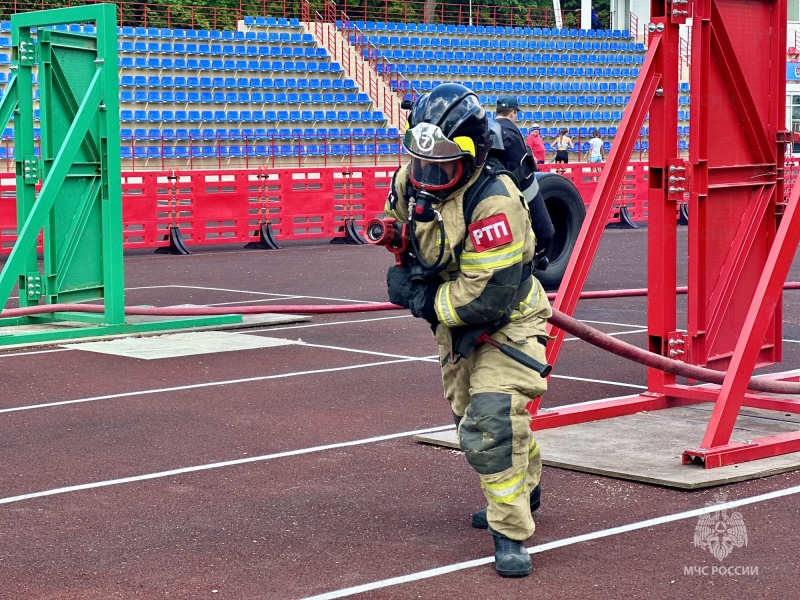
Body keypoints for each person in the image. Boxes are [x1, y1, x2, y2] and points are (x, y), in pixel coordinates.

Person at [384, 83, 551, 578]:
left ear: (473, 160)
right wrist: (396, 247)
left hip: (509, 321)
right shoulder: (413, 178)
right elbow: (400, 222)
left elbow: (486, 295)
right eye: (422, 164)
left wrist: (419, 299)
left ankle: (511, 533)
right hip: (452, 327)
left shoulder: (494, 201)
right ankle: (525, 482)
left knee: (493, 422)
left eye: (442, 169)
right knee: (469, 422)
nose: (429, 177)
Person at [491, 97, 554, 272]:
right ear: (513, 112)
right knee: (545, 230)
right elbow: (522, 167)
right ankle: (535, 260)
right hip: (518, 189)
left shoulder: (488, 129)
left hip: (491, 194)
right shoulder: (512, 131)